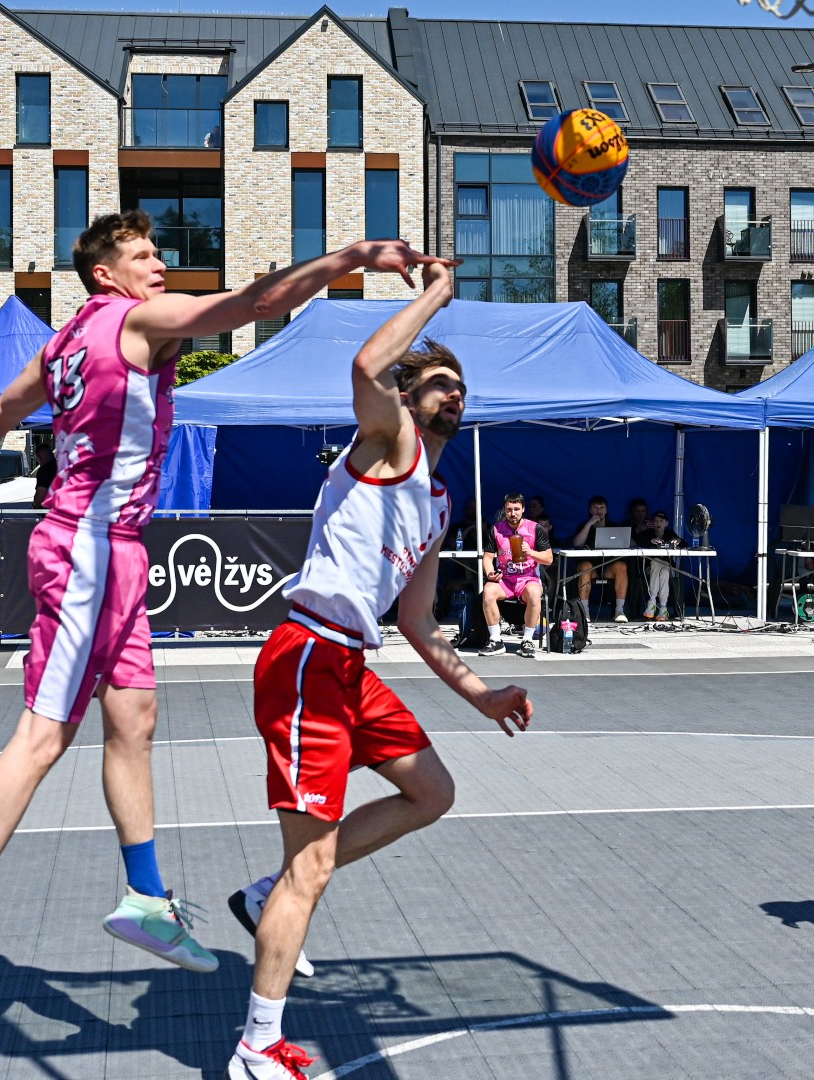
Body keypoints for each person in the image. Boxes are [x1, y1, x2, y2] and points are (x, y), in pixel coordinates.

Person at [0, 209, 451, 1021]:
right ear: (105, 275)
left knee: (135, 720)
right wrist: (355, 255)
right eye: (144, 255)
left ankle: (145, 900)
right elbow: (258, 304)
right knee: (43, 736)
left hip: (117, 551)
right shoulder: (134, 320)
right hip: (86, 546)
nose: (159, 264)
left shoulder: (60, 347)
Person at [224, 262, 532, 1080]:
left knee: (433, 791)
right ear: (407, 395)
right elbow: (366, 365)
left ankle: (264, 895)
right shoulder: (390, 439)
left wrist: (482, 694)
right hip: (308, 656)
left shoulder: (438, 501)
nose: (454, 393)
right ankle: (256, 1047)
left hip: (351, 665)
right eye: (440, 383)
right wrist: (435, 295)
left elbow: (419, 622)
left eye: (461, 387)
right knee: (313, 866)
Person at [478, 492, 553, 658]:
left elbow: (548, 558)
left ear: (523, 509)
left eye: (516, 509)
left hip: (528, 579)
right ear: (504, 510)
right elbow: (488, 558)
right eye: (509, 509)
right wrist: (490, 573)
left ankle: (527, 640)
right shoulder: (496, 529)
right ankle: (496, 640)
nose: (513, 513)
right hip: (505, 579)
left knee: (535, 592)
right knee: (488, 591)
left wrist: (531, 552)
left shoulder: (535, 528)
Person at [570, 495, 630, 622]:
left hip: (608, 567)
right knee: (585, 566)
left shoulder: (614, 526)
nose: (599, 511)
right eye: (596, 508)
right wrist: (589, 524)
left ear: (606, 510)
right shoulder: (583, 526)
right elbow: (577, 543)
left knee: (621, 566)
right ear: (590, 510)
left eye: (602, 507)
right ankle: (585, 612)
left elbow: (629, 543)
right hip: (590, 568)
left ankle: (619, 611)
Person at [636, 510, 684, 621]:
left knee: (664, 571)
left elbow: (684, 543)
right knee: (657, 563)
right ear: (652, 523)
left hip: (667, 566)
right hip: (649, 568)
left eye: (661, 521)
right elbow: (639, 543)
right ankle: (663, 608)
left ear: (666, 523)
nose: (658, 523)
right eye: (656, 521)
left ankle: (652, 602)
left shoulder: (670, 533)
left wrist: (678, 541)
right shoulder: (648, 533)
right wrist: (651, 541)